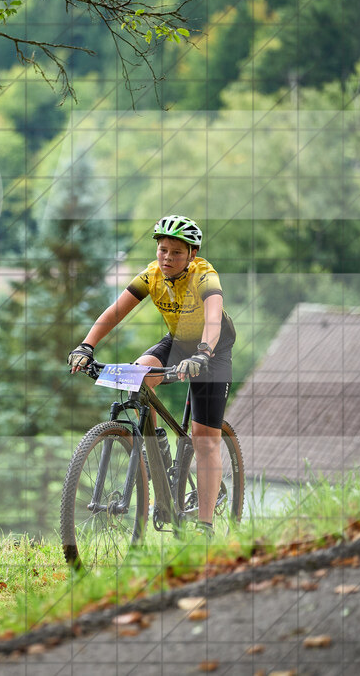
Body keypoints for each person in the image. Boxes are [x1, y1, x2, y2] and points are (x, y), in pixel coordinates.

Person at [69, 215, 236, 536]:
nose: (167, 257)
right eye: (163, 250)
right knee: (136, 376)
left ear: (192, 254)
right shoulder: (152, 275)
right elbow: (115, 311)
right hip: (177, 342)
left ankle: (205, 525)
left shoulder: (205, 276)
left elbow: (213, 319)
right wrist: (86, 346)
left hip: (212, 350)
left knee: (204, 440)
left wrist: (202, 353)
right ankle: (155, 451)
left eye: (176, 252)